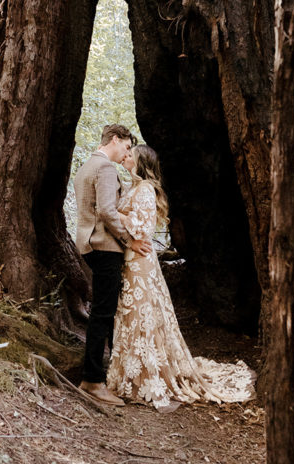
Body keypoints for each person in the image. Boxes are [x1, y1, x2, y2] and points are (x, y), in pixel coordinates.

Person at [106, 144, 256, 411]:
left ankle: (148, 376)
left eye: (132, 155)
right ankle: (132, 373)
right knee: (132, 314)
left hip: (140, 261)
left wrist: (113, 212)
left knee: (142, 315)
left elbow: (143, 228)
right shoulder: (132, 187)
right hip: (131, 259)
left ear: (142, 163)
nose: (126, 156)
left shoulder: (145, 190)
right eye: (126, 153)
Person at [73, 124, 152, 406]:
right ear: (115, 140)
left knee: (102, 312)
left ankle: (105, 375)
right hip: (104, 246)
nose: (127, 153)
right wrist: (129, 240)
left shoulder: (86, 166)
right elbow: (107, 210)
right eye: (127, 147)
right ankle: (92, 381)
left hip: (88, 244)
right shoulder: (105, 168)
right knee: (103, 314)